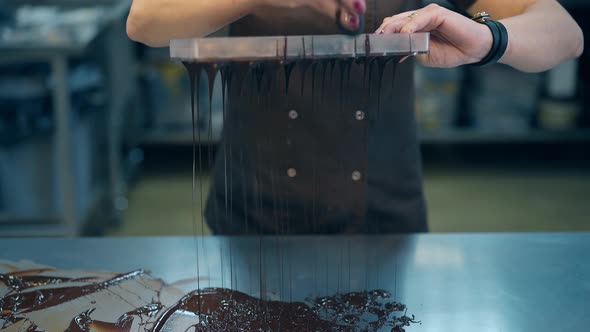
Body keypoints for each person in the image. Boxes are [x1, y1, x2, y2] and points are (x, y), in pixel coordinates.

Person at [127, 0, 583, 234]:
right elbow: (145, 20)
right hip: (253, 215)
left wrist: (488, 38)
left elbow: (562, 31)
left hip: (383, 217)